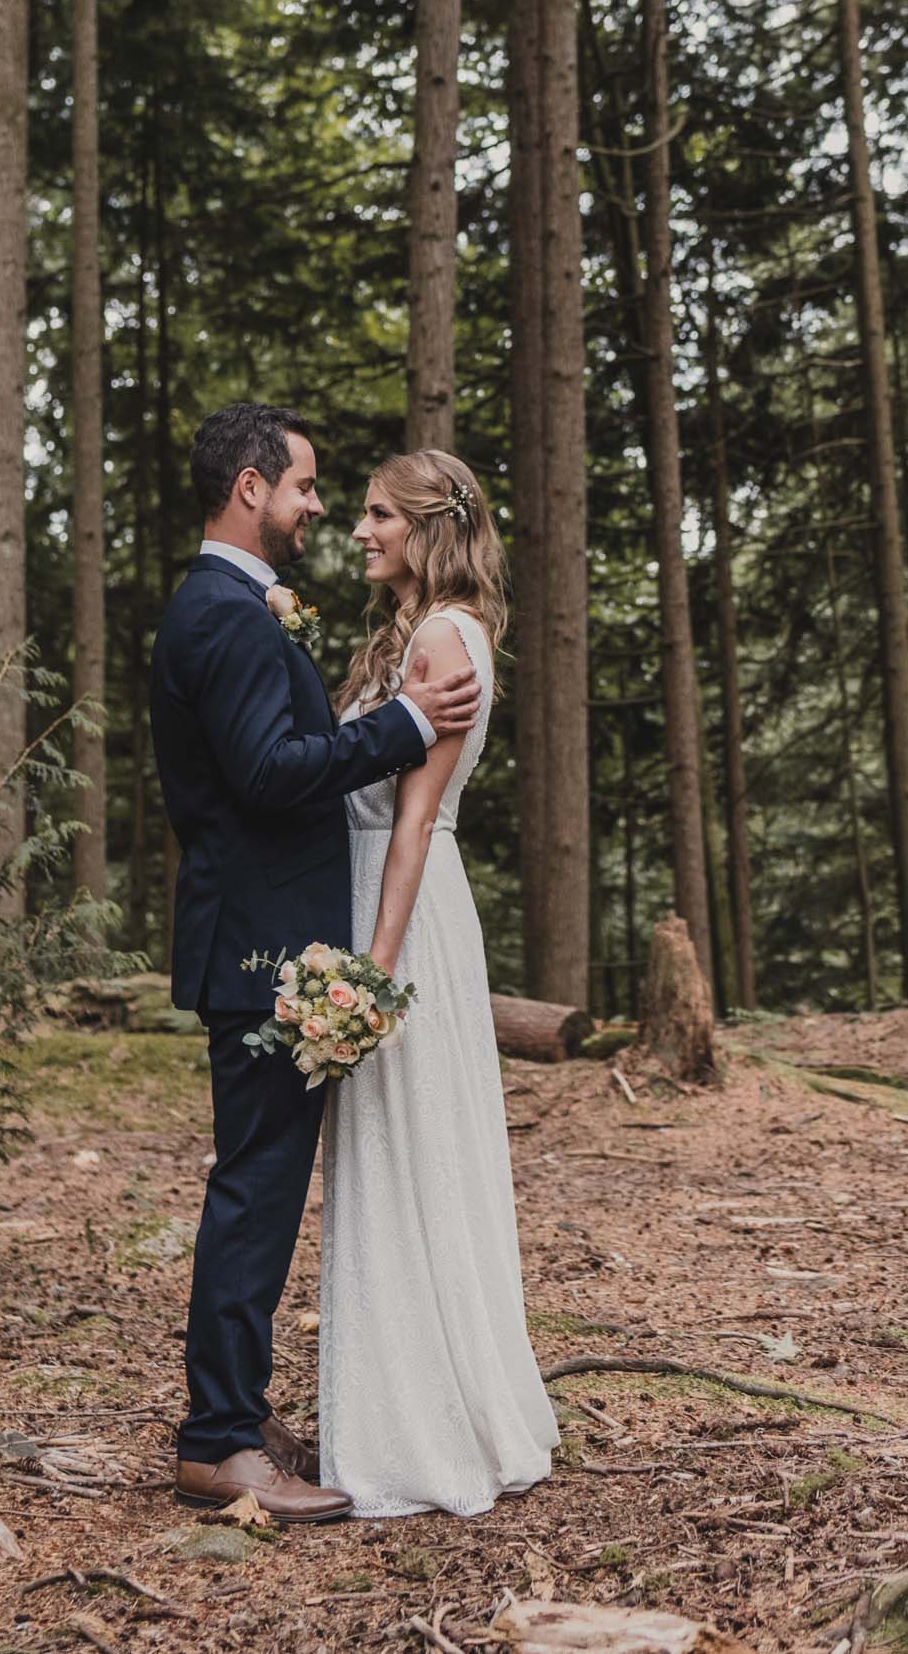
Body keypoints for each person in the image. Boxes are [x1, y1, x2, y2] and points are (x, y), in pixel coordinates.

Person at [150, 403, 483, 1526]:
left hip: (266, 939)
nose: (318, 507)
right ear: (250, 488)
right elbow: (269, 771)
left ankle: (236, 1416)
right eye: (300, 485)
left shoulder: (229, 609)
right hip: (260, 949)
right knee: (253, 1193)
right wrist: (399, 722)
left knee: (263, 1190)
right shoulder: (229, 617)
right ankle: (217, 1442)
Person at [291, 447, 558, 1518]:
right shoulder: (419, 630)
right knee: (390, 1159)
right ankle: (403, 1407)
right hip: (378, 900)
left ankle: (421, 1432)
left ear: (425, 526)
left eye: (375, 515)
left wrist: (373, 977)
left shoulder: (445, 635)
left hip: (399, 913)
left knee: (405, 1154)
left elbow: (410, 817)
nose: (358, 530)